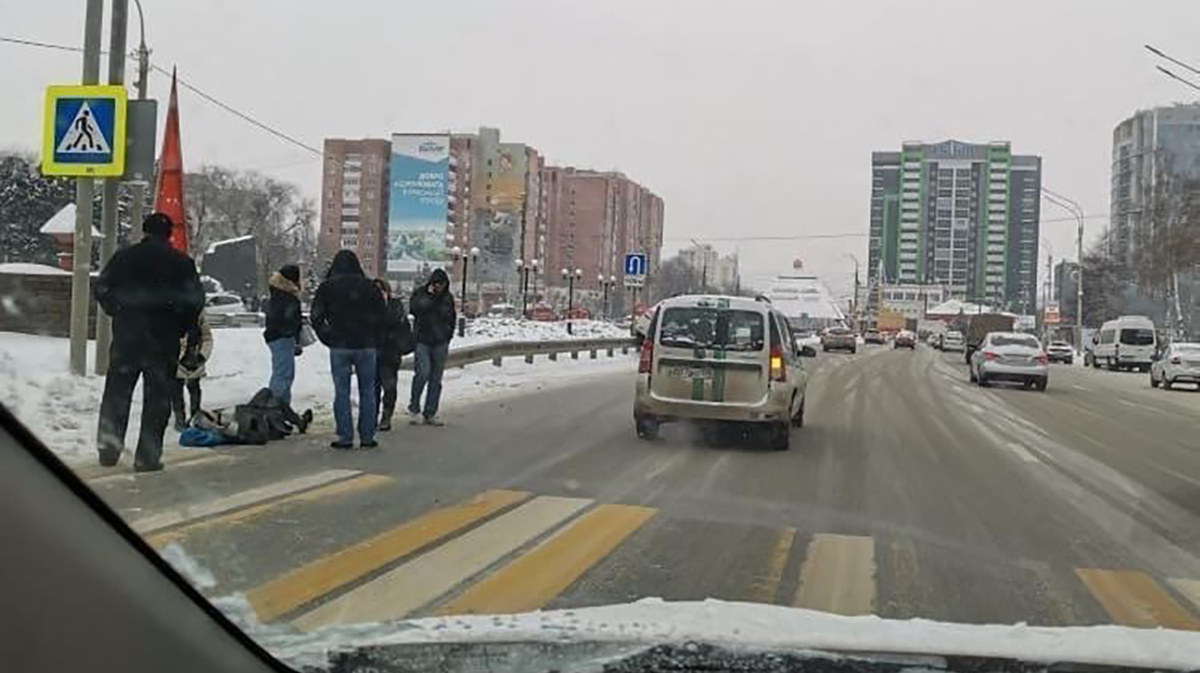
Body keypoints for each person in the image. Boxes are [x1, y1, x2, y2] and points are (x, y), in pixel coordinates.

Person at [95, 212, 205, 471]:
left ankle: (108, 448)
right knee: (158, 398)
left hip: (127, 336)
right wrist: (182, 326)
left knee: (117, 392)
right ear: (169, 234)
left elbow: (102, 288)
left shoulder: (124, 258)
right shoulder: (181, 263)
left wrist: (118, 310)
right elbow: (195, 302)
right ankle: (147, 456)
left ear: (144, 230)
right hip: (162, 339)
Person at [311, 250, 386, 449]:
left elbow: (316, 316)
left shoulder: (328, 287)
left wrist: (328, 337)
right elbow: (382, 315)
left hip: (340, 345)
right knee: (368, 392)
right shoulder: (369, 286)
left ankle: (345, 436)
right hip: (366, 346)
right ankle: (367, 436)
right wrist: (375, 338)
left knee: (341, 392)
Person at [408, 268, 456, 426]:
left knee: (436, 379)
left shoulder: (448, 298)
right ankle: (414, 407)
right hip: (422, 340)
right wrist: (429, 296)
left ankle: (430, 412)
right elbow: (415, 309)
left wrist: (448, 335)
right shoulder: (420, 294)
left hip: (441, 342)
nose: (439, 287)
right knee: (422, 373)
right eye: (436, 284)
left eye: (442, 284)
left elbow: (451, 317)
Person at [373, 278, 412, 431]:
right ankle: (372, 415)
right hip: (372, 352)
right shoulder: (367, 307)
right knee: (372, 388)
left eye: (381, 290)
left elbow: (395, 321)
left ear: (387, 291)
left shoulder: (395, 305)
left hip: (390, 352)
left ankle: (386, 416)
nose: (378, 293)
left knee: (389, 387)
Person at [263, 264, 304, 406]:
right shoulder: (288, 297)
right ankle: (273, 409)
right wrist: (296, 336)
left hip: (276, 336)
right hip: (282, 337)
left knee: (284, 374)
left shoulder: (276, 293)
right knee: (283, 375)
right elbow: (291, 320)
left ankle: (283, 409)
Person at [172, 312, 213, 430]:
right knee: (176, 390)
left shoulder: (199, 317)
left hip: (195, 357)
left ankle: (195, 417)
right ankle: (180, 419)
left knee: (194, 387)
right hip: (176, 359)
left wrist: (202, 356)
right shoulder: (172, 314)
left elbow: (207, 338)